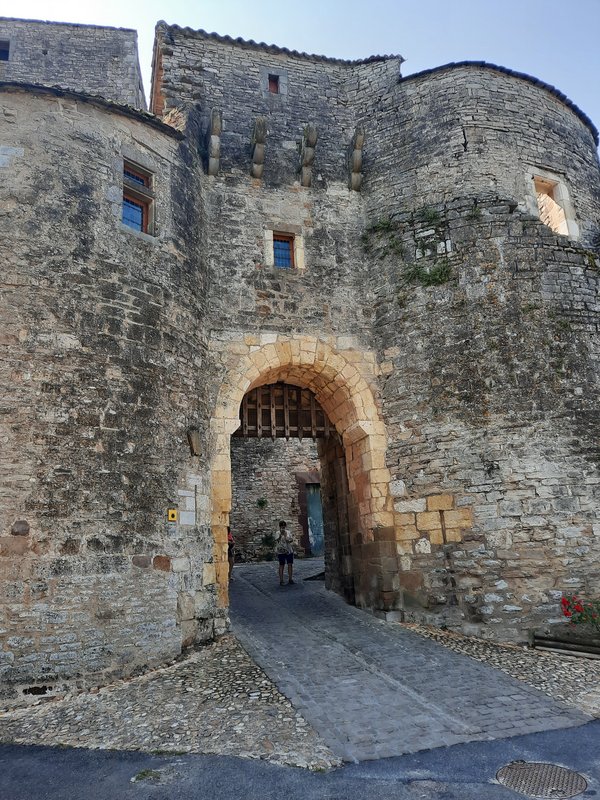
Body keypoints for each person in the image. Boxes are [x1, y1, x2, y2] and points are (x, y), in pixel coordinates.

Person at [275, 520, 294, 586]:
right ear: (280, 527)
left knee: (290, 564)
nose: (283, 528)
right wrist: (280, 535)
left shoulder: (288, 532)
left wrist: (286, 536)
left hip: (289, 550)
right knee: (281, 565)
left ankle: (290, 579)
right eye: (282, 526)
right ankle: (281, 580)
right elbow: (277, 540)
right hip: (281, 551)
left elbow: (291, 540)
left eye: (284, 526)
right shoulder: (277, 533)